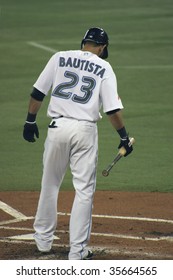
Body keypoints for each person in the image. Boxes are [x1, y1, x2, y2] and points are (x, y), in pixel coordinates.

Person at [23, 27, 133, 260]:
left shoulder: (59, 57)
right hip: (84, 131)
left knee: (50, 183)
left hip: (57, 127)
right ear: (102, 48)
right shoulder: (104, 67)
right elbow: (112, 109)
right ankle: (78, 251)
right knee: (83, 191)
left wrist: (30, 120)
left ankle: (43, 240)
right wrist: (123, 136)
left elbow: (37, 92)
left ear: (83, 42)